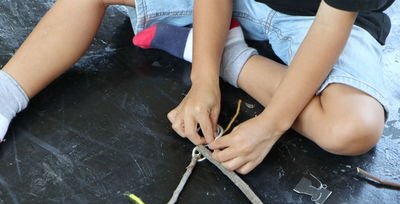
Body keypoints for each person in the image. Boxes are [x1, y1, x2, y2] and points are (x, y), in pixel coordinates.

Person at [0, 0, 394, 174]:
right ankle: (6, 93)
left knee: (352, 128)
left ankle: (232, 57)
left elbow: (329, 26)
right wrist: (203, 82)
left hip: (325, 23)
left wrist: (271, 124)